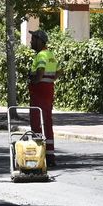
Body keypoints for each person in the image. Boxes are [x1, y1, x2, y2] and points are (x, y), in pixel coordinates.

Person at [27, 28, 59, 168]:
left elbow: (39, 73)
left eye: (33, 39)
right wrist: (49, 79)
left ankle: (38, 153)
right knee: (47, 121)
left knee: (36, 122)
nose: (31, 42)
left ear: (40, 41)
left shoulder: (41, 55)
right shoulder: (50, 54)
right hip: (48, 90)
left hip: (39, 92)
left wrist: (35, 80)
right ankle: (50, 155)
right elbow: (58, 72)